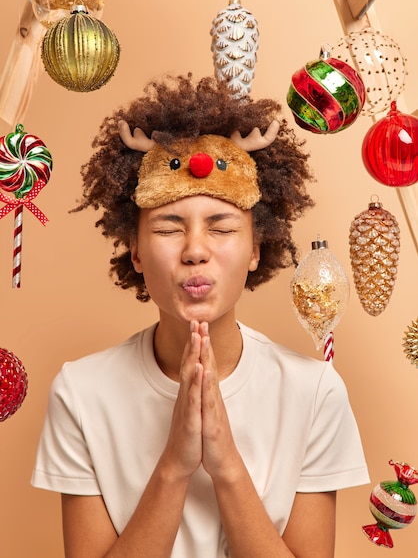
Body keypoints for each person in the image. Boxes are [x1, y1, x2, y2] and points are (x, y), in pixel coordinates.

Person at [31, 74, 369, 558]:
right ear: (135, 250)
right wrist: (175, 462)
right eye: (169, 227)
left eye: (221, 227)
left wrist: (225, 461)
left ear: (256, 248)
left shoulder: (315, 393)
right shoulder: (81, 393)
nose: (195, 251)